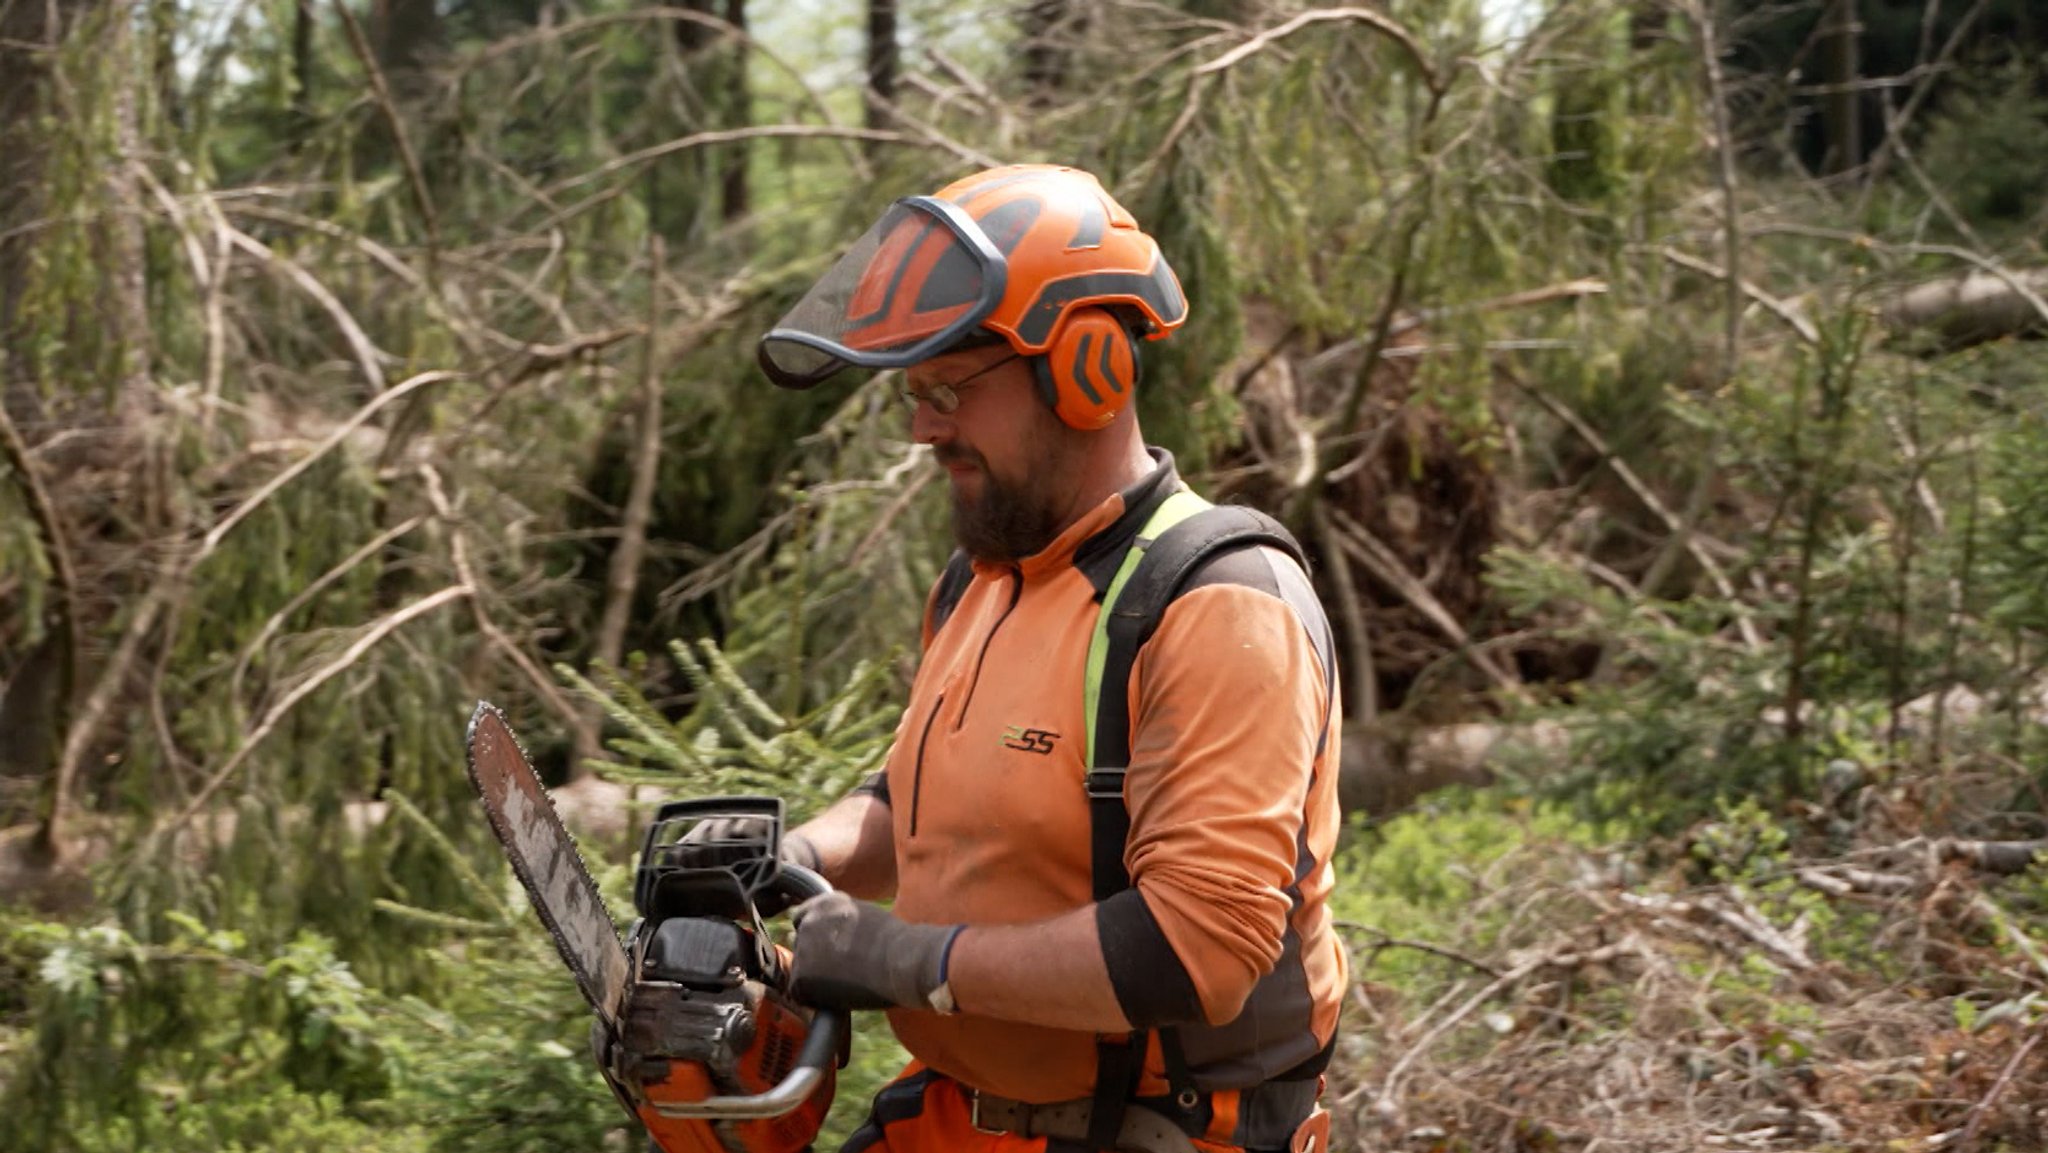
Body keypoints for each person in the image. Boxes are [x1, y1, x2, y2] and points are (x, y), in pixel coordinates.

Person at [756, 164, 1346, 1153]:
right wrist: (791, 857)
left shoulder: (1213, 601)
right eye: (912, 392)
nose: (921, 427)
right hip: (957, 1116)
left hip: (1150, 1132)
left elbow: (1194, 948)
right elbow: (916, 809)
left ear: (1086, 370)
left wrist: (905, 960)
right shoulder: (982, 582)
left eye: (947, 389)